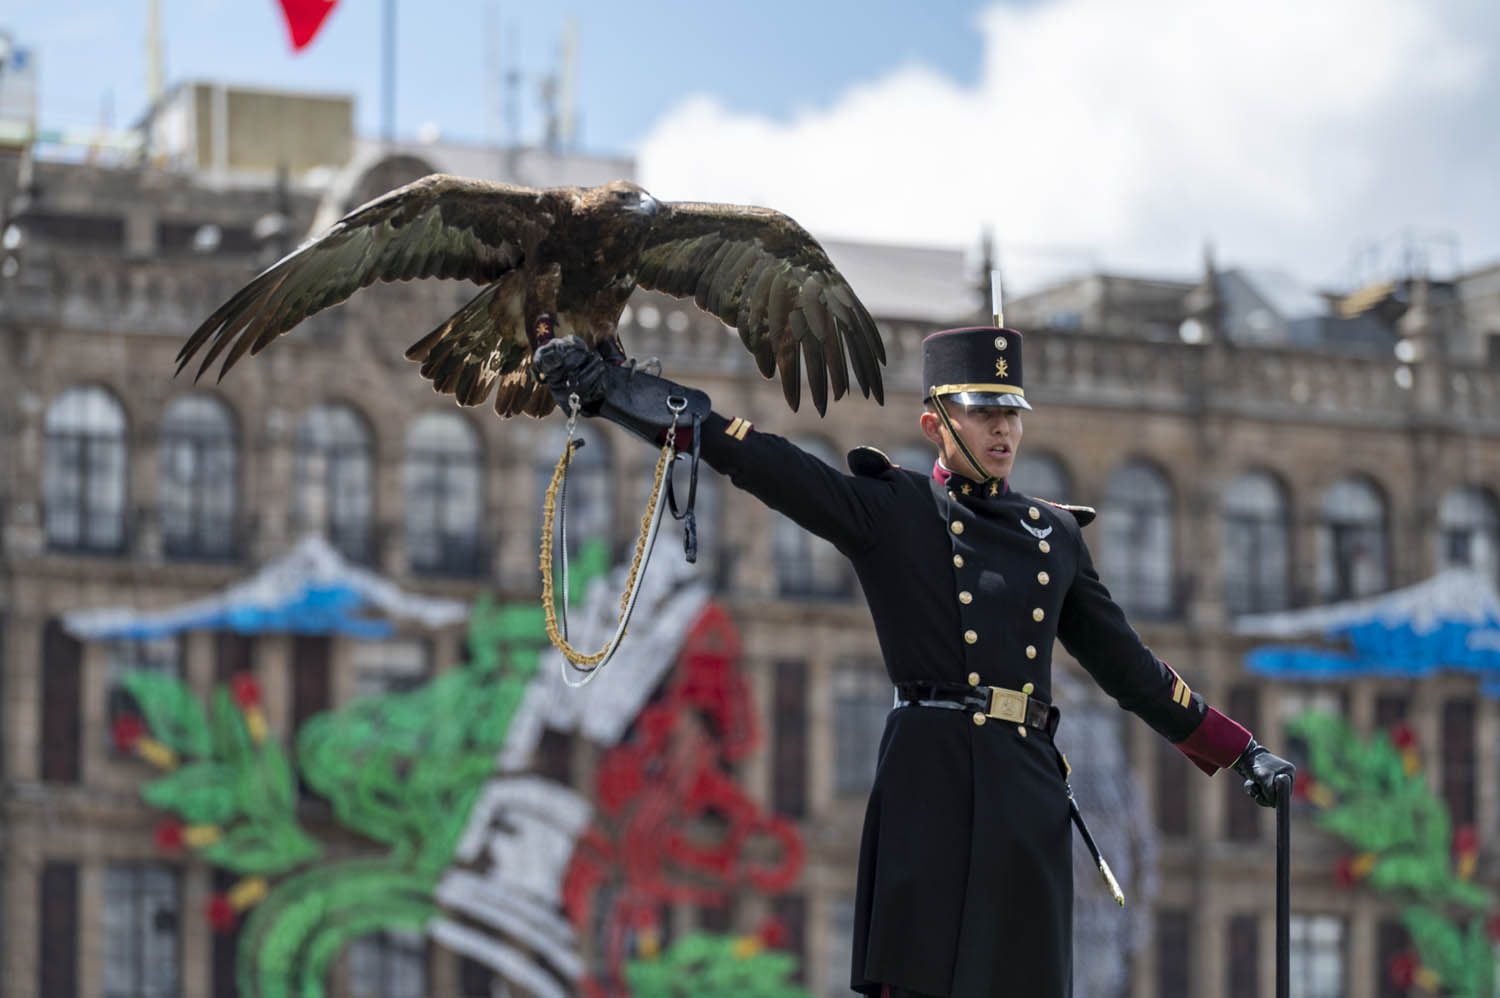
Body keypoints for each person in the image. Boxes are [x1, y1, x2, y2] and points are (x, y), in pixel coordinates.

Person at [535, 325, 1294, 998]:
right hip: (927, 780)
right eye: (983, 413)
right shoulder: (891, 510)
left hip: (1024, 788)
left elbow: (1132, 669)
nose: (1002, 431)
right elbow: (762, 460)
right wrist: (624, 396)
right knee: (922, 976)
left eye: (1012, 416)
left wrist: (1240, 750)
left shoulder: (1054, 537)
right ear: (936, 422)